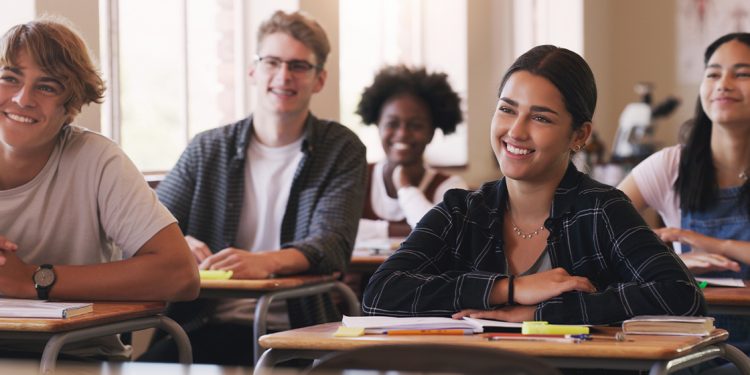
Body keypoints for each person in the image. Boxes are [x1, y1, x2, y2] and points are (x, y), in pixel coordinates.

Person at [362, 45, 705, 326]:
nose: (516, 131)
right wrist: (508, 289)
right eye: (507, 110)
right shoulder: (460, 211)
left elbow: (681, 295)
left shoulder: (602, 209)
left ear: (579, 135)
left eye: (541, 117)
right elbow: (380, 293)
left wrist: (544, 314)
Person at [141, 10, 366, 365]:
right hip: (204, 322)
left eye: (299, 66)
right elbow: (146, 225)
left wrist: (265, 263)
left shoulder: (340, 148)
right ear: (253, 71)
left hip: (299, 329)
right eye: (272, 62)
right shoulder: (207, 148)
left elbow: (333, 244)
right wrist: (177, 243)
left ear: (319, 79)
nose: (283, 76)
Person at [0, 18, 199, 359]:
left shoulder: (98, 159)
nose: (22, 98)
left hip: (77, 358)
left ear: (71, 107)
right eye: (9, 78)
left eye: (47, 87)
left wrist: (33, 279)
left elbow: (181, 275)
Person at [618, 32, 750, 372]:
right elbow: (601, 234)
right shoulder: (671, 165)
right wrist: (668, 264)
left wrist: (716, 244)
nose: (723, 84)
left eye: (742, 73)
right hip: (690, 349)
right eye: (713, 73)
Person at [355, 65, 467, 241]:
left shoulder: (450, 187)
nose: (402, 134)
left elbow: (445, 236)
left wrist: (405, 188)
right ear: (378, 127)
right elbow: (338, 230)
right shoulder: (358, 177)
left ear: (431, 133)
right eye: (392, 124)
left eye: (415, 126)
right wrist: (405, 230)